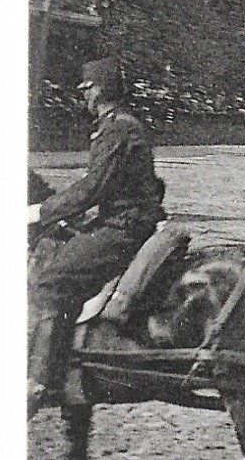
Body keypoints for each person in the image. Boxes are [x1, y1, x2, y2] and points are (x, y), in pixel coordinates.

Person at [28, 58, 167, 415]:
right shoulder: (116, 126)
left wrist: (39, 213)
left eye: (87, 88)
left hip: (124, 227)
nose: (84, 95)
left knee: (50, 279)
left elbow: (92, 188)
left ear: (100, 89)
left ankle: (40, 380)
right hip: (120, 218)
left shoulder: (118, 128)